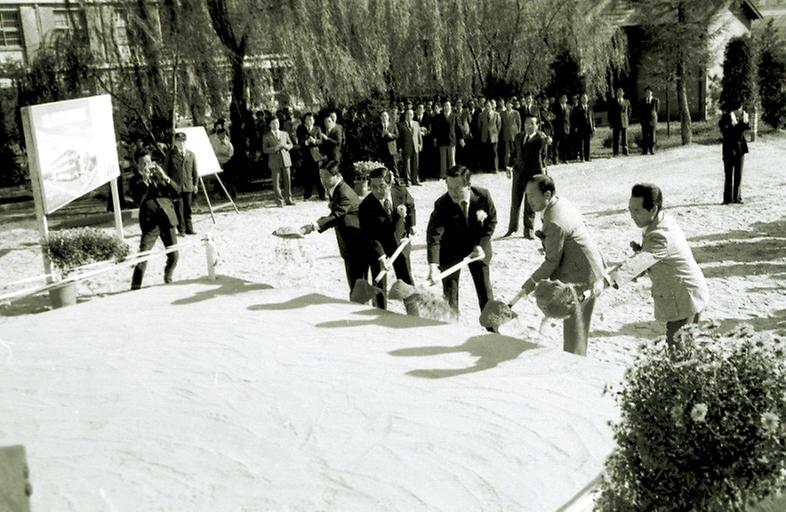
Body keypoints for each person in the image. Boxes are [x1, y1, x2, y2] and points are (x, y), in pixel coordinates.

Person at [606, 183, 709, 345]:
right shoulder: (662, 220)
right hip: (689, 293)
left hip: (683, 299)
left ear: (653, 209)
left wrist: (603, 282)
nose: (632, 215)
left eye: (637, 211)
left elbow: (637, 263)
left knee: (678, 355)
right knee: (684, 352)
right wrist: (643, 250)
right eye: (630, 210)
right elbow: (657, 255)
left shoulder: (660, 235)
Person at [518, 175, 605, 356]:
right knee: (577, 329)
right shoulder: (559, 203)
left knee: (574, 332)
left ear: (547, 194)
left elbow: (552, 261)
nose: (529, 201)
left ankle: (575, 369)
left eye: (532, 196)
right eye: (527, 196)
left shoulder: (554, 221)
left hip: (582, 276)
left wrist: (530, 284)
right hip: (589, 267)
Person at [426, 165, 497, 321]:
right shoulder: (442, 203)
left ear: (468, 185)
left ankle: (492, 329)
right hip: (451, 248)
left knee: (485, 290)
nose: (452, 193)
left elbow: (491, 221)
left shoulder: (483, 196)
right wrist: (432, 265)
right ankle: (452, 326)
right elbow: (434, 235)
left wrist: (480, 245)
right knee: (450, 293)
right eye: (449, 188)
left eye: (458, 189)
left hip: (478, 249)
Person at [301, 160, 367, 297]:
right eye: (320, 176)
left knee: (357, 280)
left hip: (356, 241)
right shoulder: (335, 187)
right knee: (355, 280)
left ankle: (359, 305)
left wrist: (312, 227)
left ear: (337, 175)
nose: (322, 180)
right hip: (348, 239)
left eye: (326, 176)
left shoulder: (344, 193)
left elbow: (336, 215)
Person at [358, 166, 417, 309]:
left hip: (400, 243)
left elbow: (410, 206)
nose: (377, 190)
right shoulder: (365, 206)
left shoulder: (401, 192)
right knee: (379, 283)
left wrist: (411, 225)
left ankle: (413, 314)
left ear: (390, 184)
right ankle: (380, 312)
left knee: (406, 280)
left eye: (382, 186)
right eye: (373, 186)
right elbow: (369, 234)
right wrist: (381, 256)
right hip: (379, 247)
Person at [130, 151, 181, 290]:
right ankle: (135, 285)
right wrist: (145, 182)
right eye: (143, 163)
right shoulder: (135, 180)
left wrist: (165, 177)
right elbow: (137, 200)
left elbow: (177, 192)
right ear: (138, 165)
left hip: (167, 218)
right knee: (143, 254)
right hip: (150, 222)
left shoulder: (159, 176)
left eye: (148, 162)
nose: (146, 165)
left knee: (174, 255)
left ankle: (168, 276)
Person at [504, 114, 549, 239]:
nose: (529, 126)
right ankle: (512, 228)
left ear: (537, 126)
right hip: (518, 174)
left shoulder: (540, 139)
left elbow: (544, 154)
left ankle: (528, 229)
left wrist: (544, 170)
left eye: (532, 123)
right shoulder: (519, 137)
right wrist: (509, 166)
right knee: (515, 202)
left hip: (533, 175)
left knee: (530, 203)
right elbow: (514, 153)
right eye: (526, 123)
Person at [164, 131, 199, 236]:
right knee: (179, 209)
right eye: (179, 141)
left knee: (188, 208)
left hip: (188, 186)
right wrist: (169, 185)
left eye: (183, 140)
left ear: (186, 141)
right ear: (175, 142)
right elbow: (166, 171)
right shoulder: (171, 154)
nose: (181, 143)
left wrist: (196, 184)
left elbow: (195, 171)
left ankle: (189, 229)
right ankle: (182, 230)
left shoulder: (191, 154)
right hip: (176, 187)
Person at [719, 104, 749, 205]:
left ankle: (737, 197)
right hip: (728, 149)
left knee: (738, 174)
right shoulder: (725, 118)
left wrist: (744, 122)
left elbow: (745, 129)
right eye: (739, 108)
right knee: (728, 174)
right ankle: (727, 199)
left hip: (740, 149)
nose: (740, 110)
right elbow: (727, 133)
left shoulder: (743, 117)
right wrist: (737, 124)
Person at [262, 116, 295, 207]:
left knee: (288, 180)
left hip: (286, 159)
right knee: (276, 182)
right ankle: (279, 200)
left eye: (277, 122)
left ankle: (289, 198)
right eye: (273, 123)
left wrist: (287, 146)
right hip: (274, 160)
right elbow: (264, 149)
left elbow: (291, 144)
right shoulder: (266, 136)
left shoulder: (284, 133)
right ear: (269, 125)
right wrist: (274, 148)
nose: (276, 125)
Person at [296, 112, 326, 200]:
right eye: (308, 119)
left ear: (314, 120)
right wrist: (306, 142)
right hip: (305, 155)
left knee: (318, 175)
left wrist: (314, 141)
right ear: (304, 120)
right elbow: (299, 141)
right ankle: (307, 194)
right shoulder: (300, 128)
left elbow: (321, 141)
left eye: (311, 119)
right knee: (306, 175)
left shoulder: (317, 128)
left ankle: (322, 194)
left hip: (315, 155)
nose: (310, 121)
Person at [432, 100, 464, 178]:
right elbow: (435, 129)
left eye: (448, 105)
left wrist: (461, 138)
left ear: (451, 107)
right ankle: (443, 174)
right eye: (445, 105)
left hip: (452, 140)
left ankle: (452, 175)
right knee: (443, 159)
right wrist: (435, 138)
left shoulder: (454, 116)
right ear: (443, 107)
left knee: (452, 159)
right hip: (441, 140)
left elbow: (458, 128)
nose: (447, 107)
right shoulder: (438, 116)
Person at [398, 108, 423, 186]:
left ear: (413, 115)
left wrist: (420, 144)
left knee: (415, 164)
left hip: (415, 147)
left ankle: (415, 180)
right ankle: (407, 181)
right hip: (406, 147)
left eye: (411, 114)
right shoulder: (401, 125)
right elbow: (399, 138)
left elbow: (419, 136)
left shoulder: (416, 123)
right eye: (408, 114)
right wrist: (400, 148)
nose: (409, 116)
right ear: (405, 115)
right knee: (407, 166)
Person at [479, 100, 501, 173]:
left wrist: (495, 133)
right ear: (484, 106)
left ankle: (495, 168)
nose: (488, 107)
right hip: (485, 136)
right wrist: (484, 132)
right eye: (486, 106)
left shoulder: (496, 114)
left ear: (491, 106)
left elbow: (499, 125)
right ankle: (486, 168)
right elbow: (479, 126)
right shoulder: (481, 115)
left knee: (494, 153)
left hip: (493, 136)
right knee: (486, 153)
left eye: (489, 106)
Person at [571, 93, 595, 162]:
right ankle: (582, 157)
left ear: (587, 99)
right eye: (583, 98)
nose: (584, 99)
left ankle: (587, 157)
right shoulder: (577, 108)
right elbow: (575, 118)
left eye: (585, 98)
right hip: (580, 127)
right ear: (581, 99)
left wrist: (593, 126)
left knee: (587, 143)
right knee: (581, 143)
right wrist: (575, 127)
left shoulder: (589, 107)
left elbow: (592, 117)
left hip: (588, 127)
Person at [376, 111, 400, 180]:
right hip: (382, 148)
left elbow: (397, 135)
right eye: (382, 116)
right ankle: (384, 180)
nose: (384, 118)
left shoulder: (393, 125)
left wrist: (390, 135)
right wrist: (382, 135)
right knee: (383, 164)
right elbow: (374, 137)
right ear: (380, 118)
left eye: (385, 116)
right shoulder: (377, 126)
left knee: (394, 164)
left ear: (388, 117)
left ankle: (397, 179)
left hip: (391, 147)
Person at [608, 87, 631, 157]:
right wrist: (610, 123)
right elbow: (610, 113)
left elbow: (629, 111)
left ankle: (625, 152)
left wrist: (627, 119)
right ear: (616, 93)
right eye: (618, 92)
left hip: (624, 122)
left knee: (625, 138)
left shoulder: (627, 101)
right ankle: (615, 153)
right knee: (616, 138)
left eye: (621, 92)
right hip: (616, 122)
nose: (619, 93)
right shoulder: (612, 102)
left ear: (623, 93)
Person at [500, 99, 522, 169]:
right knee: (507, 151)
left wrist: (518, 132)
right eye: (507, 104)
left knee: (515, 150)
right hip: (506, 134)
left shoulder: (516, 113)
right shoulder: (502, 113)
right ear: (505, 105)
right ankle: (507, 165)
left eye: (510, 104)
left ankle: (516, 164)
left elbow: (519, 123)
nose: (508, 105)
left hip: (514, 134)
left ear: (512, 105)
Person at [639, 86, 659, 155]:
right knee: (644, 136)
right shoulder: (642, 101)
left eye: (649, 92)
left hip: (652, 120)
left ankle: (652, 149)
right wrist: (641, 121)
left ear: (651, 93)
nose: (648, 93)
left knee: (652, 136)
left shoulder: (655, 100)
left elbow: (656, 110)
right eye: (646, 92)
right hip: (644, 121)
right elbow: (640, 111)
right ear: (645, 93)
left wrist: (654, 119)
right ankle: (644, 150)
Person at [552, 94, 571, 163]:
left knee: (565, 144)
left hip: (566, 128)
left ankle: (564, 158)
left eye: (565, 98)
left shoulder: (569, 107)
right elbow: (553, 118)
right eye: (562, 98)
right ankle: (555, 159)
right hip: (557, 128)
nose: (564, 99)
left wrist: (569, 127)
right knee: (556, 144)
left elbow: (570, 118)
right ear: (560, 99)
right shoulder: (555, 107)